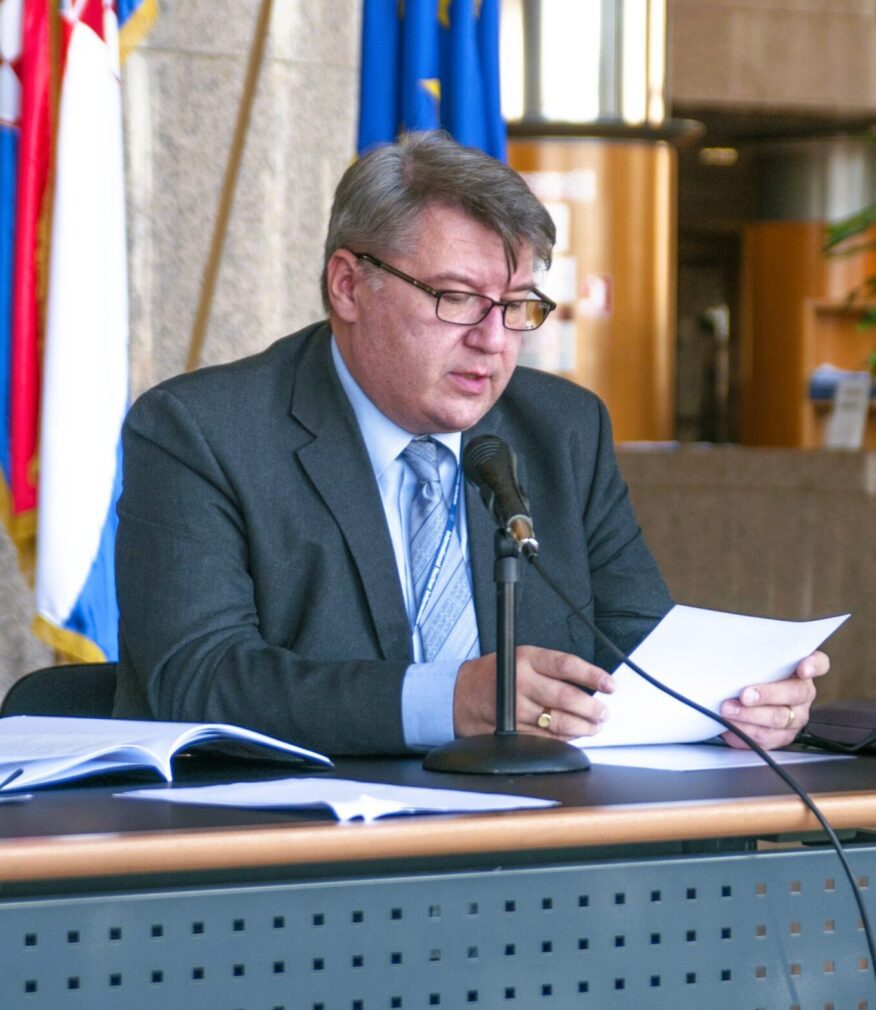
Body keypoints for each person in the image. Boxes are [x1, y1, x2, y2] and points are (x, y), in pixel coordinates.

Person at [114, 131, 828, 754]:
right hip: (304, 842)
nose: (493, 340)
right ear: (348, 286)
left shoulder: (562, 429)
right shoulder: (202, 431)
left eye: (516, 305)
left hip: (546, 829)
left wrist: (732, 701)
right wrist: (444, 701)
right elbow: (195, 677)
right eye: (456, 299)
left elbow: (633, 649)